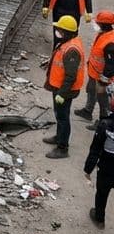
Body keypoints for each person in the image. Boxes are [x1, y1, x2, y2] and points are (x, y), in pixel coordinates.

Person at [43, 15, 86, 158]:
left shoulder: (72, 49)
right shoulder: (67, 42)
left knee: (63, 117)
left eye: (60, 30)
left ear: (67, 32)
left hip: (64, 91)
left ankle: (62, 148)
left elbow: (70, 76)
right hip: (59, 88)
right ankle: (59, 137)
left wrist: (62, 93)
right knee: (59, 115)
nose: (58, 32)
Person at [84, 89, 114, 227]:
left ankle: (99, 218)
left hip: (107, 167)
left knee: (102, 192)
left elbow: (95, 149)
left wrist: (88, 169)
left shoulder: (105, 125)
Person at [77, 12, 114, 124]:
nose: (96, 24)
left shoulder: (110, 42)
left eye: (98, 23)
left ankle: (102, 122)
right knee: (91, 91)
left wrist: (103, 81)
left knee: (103, 100)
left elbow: (111, 64)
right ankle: (87, 111)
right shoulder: (103, 34)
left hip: (102, 76)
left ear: (103, 24)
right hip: (94, 72)